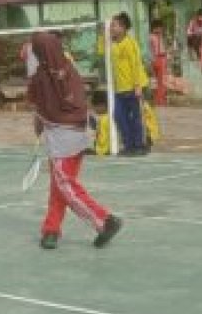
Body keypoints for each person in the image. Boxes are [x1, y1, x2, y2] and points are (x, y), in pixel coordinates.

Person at [27, 31, 123, 250]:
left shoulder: (41, 76)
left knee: (65, 186)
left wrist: (38, 125)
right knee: (58, 186)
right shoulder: (69, 67)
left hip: (62, 140)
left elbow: (36, 104)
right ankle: (51, 230)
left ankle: (104, 221)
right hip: (80, 135)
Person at [108, 13, 151, 156]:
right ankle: (129, 144)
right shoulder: (112, 44)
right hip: (120, 89)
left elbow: (136, 64)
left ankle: (139, 145)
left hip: (134, 87)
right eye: (111, 25)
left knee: (136, 117)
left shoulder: (130, 43)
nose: (112, 28)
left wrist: (138, 85)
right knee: (119, 115)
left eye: (115, 25)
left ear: (124, 27)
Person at [149, 19, 169, 105]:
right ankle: (157, 100)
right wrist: (151, 60)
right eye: (159, 28)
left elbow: (163, 48)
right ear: (154, 28)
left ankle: (161, 100)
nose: (160, 30)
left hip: (162, 58)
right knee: (155, 81)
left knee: (162, 80)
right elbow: (150, 50)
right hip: (155, 59)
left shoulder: (161, 37)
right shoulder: (151, 37)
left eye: (161, 28)